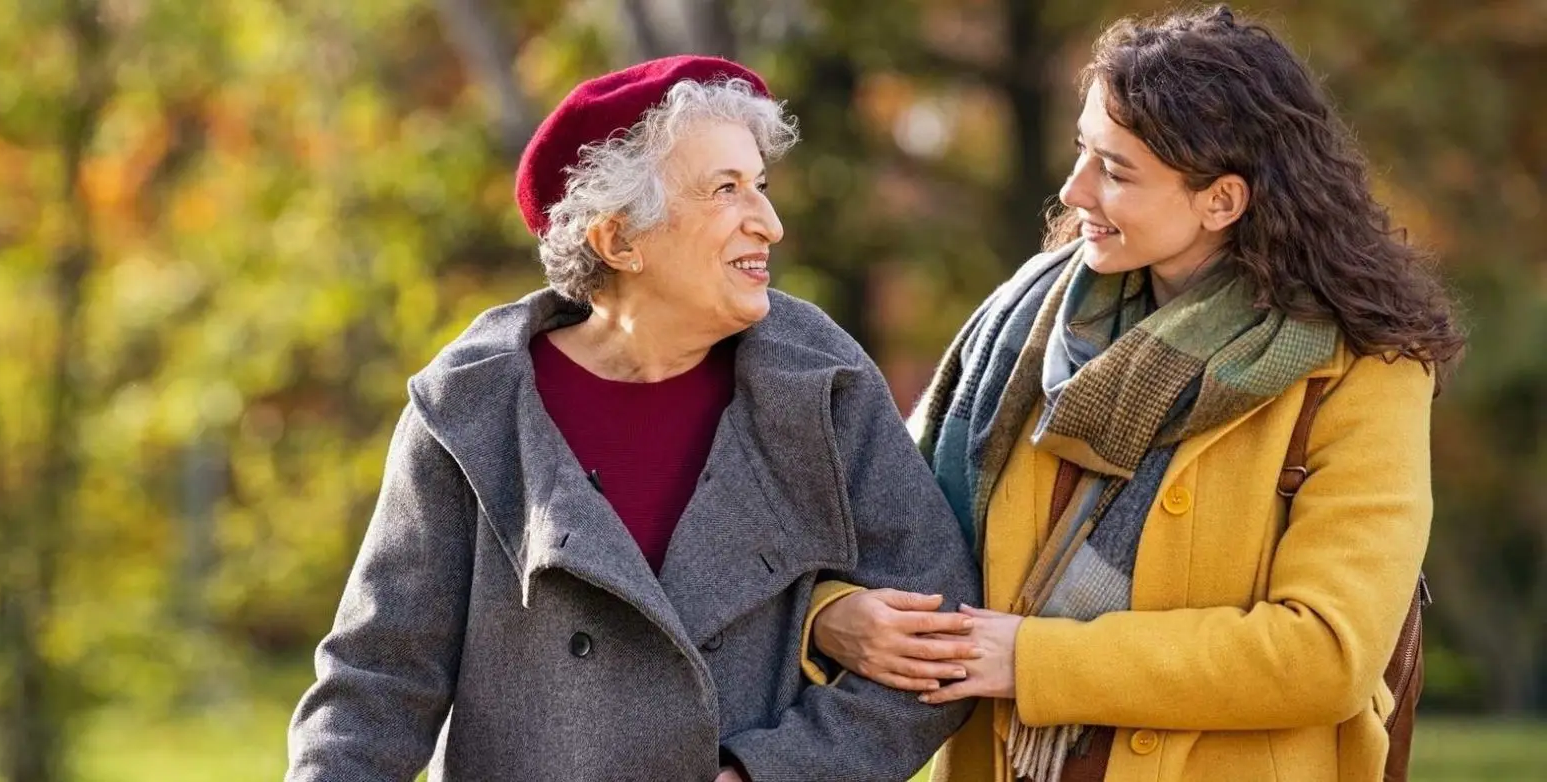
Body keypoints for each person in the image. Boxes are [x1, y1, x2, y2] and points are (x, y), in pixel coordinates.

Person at [804, 6, 1463, 781]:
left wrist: (1038, 661)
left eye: (1115, 171)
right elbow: (882, 537)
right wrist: (834, 617)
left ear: (1221, 200)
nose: (1074, 189)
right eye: (1085, 150)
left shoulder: (1364, 369)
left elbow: (1325, 651)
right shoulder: (1022, 334)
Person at [285, 55, 980, 782]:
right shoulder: (473, 411)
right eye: (725, 191)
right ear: (620, 241)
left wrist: (770, 774)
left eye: (761, 186)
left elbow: (940, 637)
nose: (768, 223)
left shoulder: (818, 382)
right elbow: (375, 689)